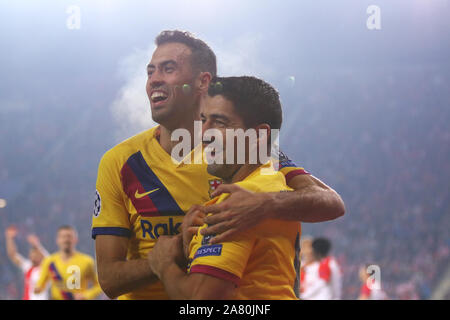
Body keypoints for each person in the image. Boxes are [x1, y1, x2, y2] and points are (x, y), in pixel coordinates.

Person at [93, 30, 345, 300]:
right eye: (150, 71)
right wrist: (169, 255)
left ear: (203, 81)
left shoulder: (239, 149)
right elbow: (108, 280)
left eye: (168, 69)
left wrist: (266, 204)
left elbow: (331, 202)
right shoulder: (119, 161)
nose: (154, 79)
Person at [148, 76, 301, 299]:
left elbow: (201, 301)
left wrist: (163, 264)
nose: (204, 134)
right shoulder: (271, 183)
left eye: (220, 123)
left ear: (259, 135)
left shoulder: (242, 203)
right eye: (204, 120)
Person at [34, 225, 102, 300]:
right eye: (63, 237)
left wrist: (86, 295)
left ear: (75, 239)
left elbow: (99, 285)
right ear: (57, 240)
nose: (66, 240)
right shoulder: (49, 261)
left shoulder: (87, 261)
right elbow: (40, 284)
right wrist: (37, 289)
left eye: (69, 236)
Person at [5, 225, 49, 300]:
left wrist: (37, 244)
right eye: (31, 254)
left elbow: (48, 259)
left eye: (36, 254)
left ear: (40, 256)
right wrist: (9, 238)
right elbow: (12, 254)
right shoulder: (28, 266)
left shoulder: (46, 268)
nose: (33, 256)